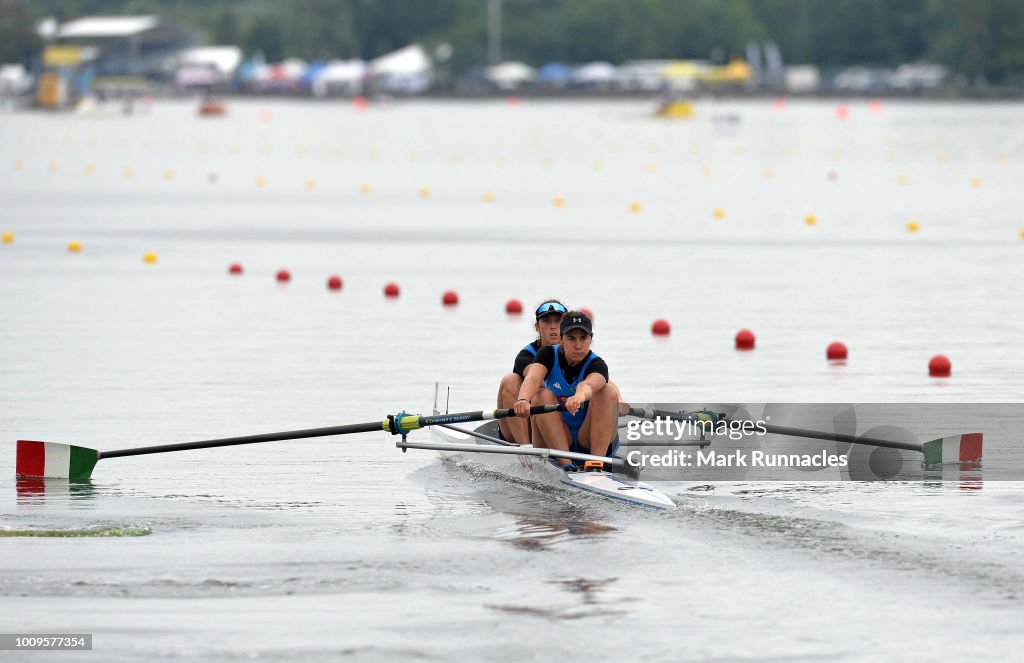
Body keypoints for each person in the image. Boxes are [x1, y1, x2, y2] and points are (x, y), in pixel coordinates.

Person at [513, 311, 620, 470]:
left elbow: (588, 385)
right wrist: (523, 399)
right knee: (541, 395)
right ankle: (567, 466)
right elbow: (533, 379)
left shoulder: (598, 364)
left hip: (587, 440)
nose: (578, 345)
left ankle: (596, 464)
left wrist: (579, 396)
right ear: (561, 339)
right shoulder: (547, 354)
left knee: (608, 392)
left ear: (591, 339)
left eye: (583, 338)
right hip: (553, 439)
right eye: (571, 338)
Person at [496, 299, 567, 445]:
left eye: (558, 320)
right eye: (546, 321)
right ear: (537, 327)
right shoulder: (526, 355)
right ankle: (526, 450)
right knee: (510, 380)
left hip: (559, 422)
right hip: (524, 425)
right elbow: (536, 379)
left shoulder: (576, 353)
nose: (553, 326)